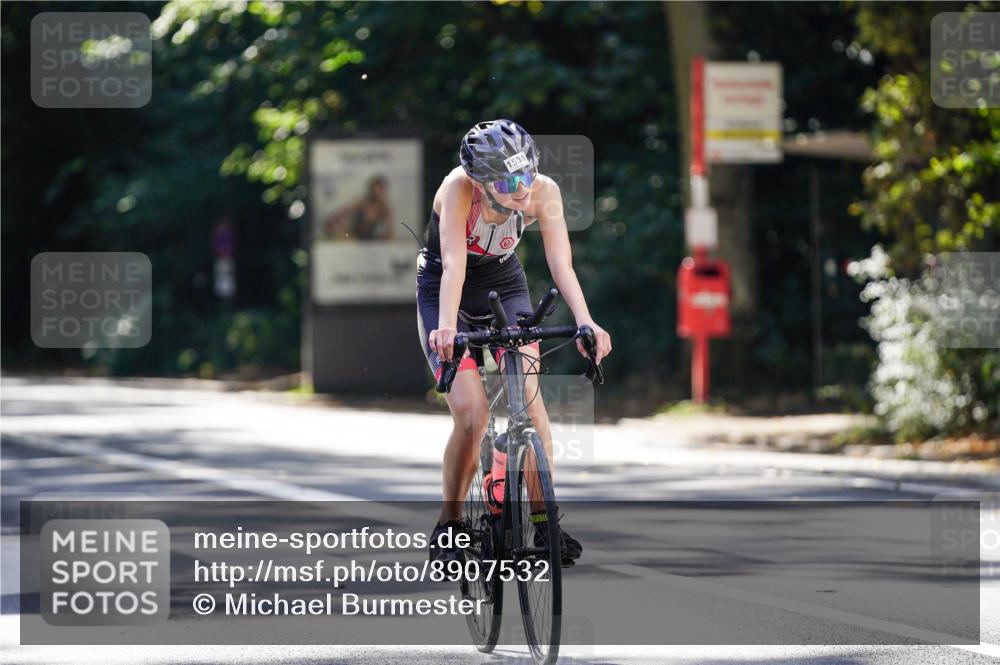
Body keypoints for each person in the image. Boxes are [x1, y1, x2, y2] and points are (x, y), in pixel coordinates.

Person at [416, 119, 612, 566]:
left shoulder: (544, 190)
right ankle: (450, 526)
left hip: (505, 282)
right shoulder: (456, 190)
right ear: (481, 183)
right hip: (444, 289)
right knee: (473, 415)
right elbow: (452, 268)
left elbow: (562, 265)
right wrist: (447, 327)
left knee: (530, 400)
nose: (522, 189)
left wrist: (587, 323)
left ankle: (545, 524)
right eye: (508, 182)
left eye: (526, 175)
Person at [323, 174, 394, 240]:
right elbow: (333, 220)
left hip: (371, 241)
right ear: (371, 191)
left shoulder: (384, 208)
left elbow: (389, 232)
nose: (377, 194)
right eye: (375, 191)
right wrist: (347, 236)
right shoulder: (360, 204)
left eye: (380, 191)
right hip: (354, 238)